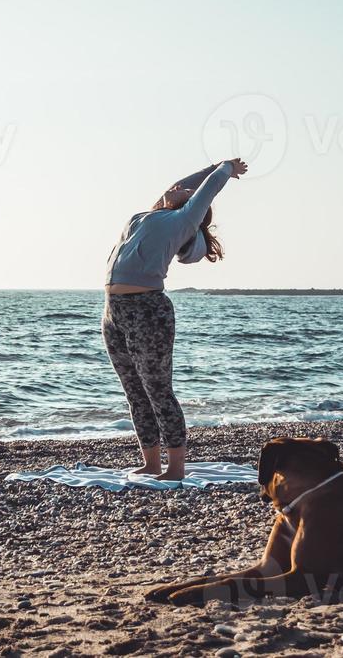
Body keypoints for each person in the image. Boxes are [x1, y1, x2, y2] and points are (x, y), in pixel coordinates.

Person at [102, 158, 249, 480]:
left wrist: (224, 169)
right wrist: (209, 165)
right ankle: (151, 463)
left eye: (185, 192)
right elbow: (180, 185)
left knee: (157, 389)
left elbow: (208, 190)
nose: (179, 188)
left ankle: (177, 467)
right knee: (134, 390)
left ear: (191, 207)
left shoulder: (182, 220)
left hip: (147, 309)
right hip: (113, 310)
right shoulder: (148, 215)